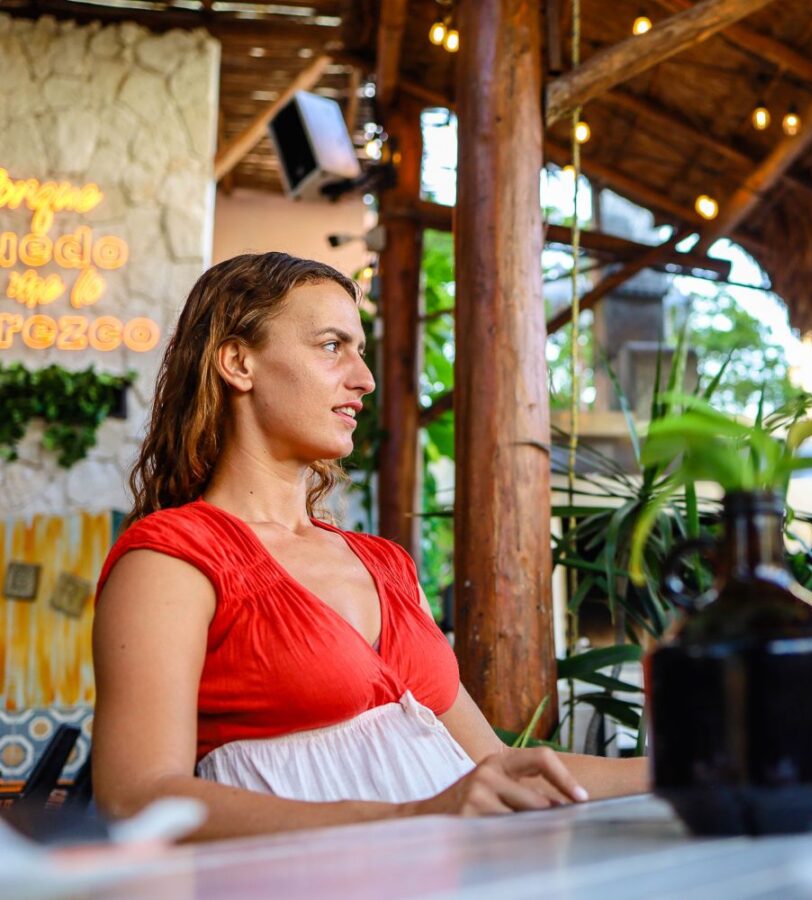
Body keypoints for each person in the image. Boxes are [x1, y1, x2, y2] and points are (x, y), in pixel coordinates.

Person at [93, 253, 647, 841]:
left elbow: (496, 769)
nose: (364, 378)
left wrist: (678, 769)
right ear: (238, 362)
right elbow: (135, 796)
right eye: (332, 346)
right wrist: (413, 816)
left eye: (359, 350)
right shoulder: (172, 559)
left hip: (455, 872)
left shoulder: (386, 564)